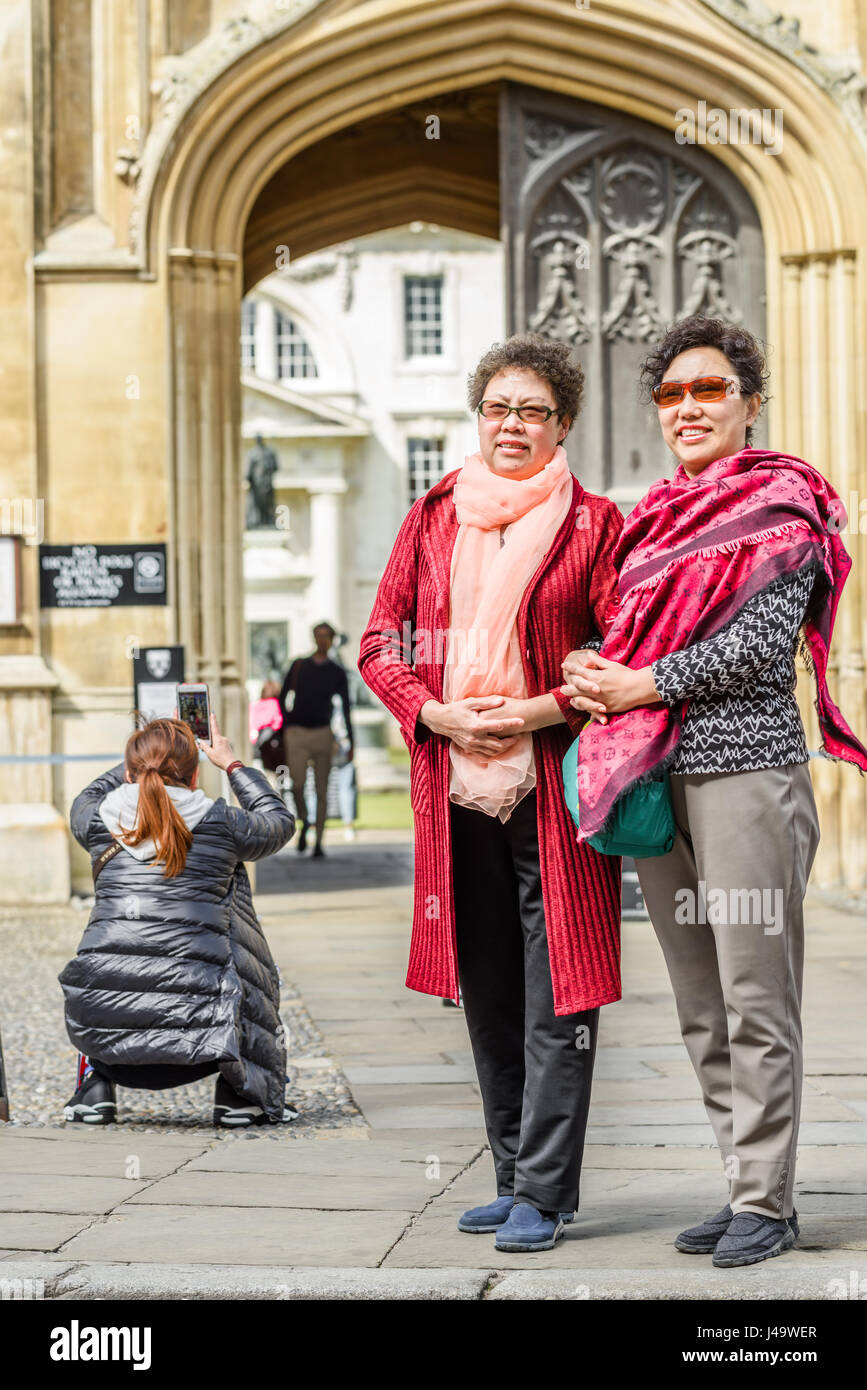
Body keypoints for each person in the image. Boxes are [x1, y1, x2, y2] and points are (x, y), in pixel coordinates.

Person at [561, 315, 867, 1268]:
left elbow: (756, 648)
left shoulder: (782, 505)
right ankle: (743, 1184)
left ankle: (767, 1205)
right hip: (655, 780)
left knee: (754, 993)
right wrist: (591, 665)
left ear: (748, 402)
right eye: (671, 394)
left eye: (708, 390)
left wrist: (639, 684)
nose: (687, 408)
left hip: (743, 774)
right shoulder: (651, 518)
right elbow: (629, 635)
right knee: (698, 1000)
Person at [358, 331, 624, 1252]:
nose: (512, 425)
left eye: (533, 411)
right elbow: (379, 642)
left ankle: (547, 1193)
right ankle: (510, 1174)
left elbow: (618, 657)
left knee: (561, 990)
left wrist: (540, 708)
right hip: (454, 786)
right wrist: (434, 714)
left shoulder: (594, 524)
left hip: (551, 790)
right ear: (479, 416)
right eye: (498, 408)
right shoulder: (432, 515)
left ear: (563, 424)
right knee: (488, 985)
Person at [60, 713, 298, 1128]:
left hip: (108, 1039)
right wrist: (231, 764)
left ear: (130, 774)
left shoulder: (97, 821)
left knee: (101, 959)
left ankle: (94, 1089)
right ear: (193, 777)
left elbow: (87, 795)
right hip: (205, 1047)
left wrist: (141, 757)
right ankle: (239, 1094)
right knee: (234, 953)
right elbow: (278, 821)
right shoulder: (223, 822)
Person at [280, 622, 353, 858]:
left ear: (332, 640)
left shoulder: (336, 672)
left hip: (323, 732)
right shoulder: (300, 665)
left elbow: (347, 707)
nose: (322, 641)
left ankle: (319, 841)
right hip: (298, 732)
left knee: (322, 789)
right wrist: (288, 724)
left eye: (327, 637)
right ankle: (304, 821)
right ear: (314, 638)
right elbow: (282, 697)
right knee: (297, 785)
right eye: (319, 636)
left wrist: (351, 741)